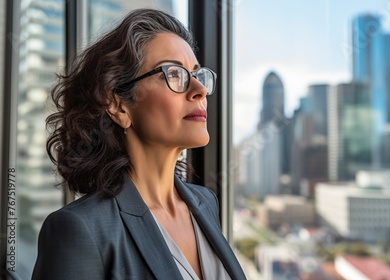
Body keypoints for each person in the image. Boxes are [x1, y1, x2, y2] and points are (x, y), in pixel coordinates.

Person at [32, 8, 246, 280]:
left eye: (197, 74)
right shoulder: (79, 229)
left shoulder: (205, 203)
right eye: (174, 74)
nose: (200, 90)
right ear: (118, 105)